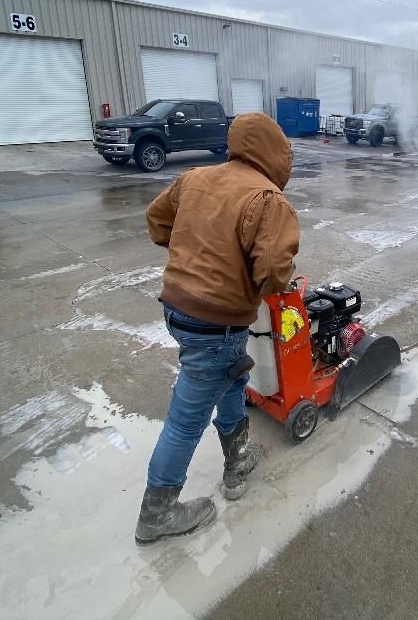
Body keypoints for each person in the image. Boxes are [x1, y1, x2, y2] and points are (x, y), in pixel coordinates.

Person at [135, 112, 300, 545]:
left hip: (178, 310)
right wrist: (261, 282)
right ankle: (157, 514)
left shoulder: (195, 178)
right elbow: (272, 273)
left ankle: (238, 459)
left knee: (233, 378)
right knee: (186, 419)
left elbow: (157, 220)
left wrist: (193, 257)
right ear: (276, 152)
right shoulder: (268, 200)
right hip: (216, 323)